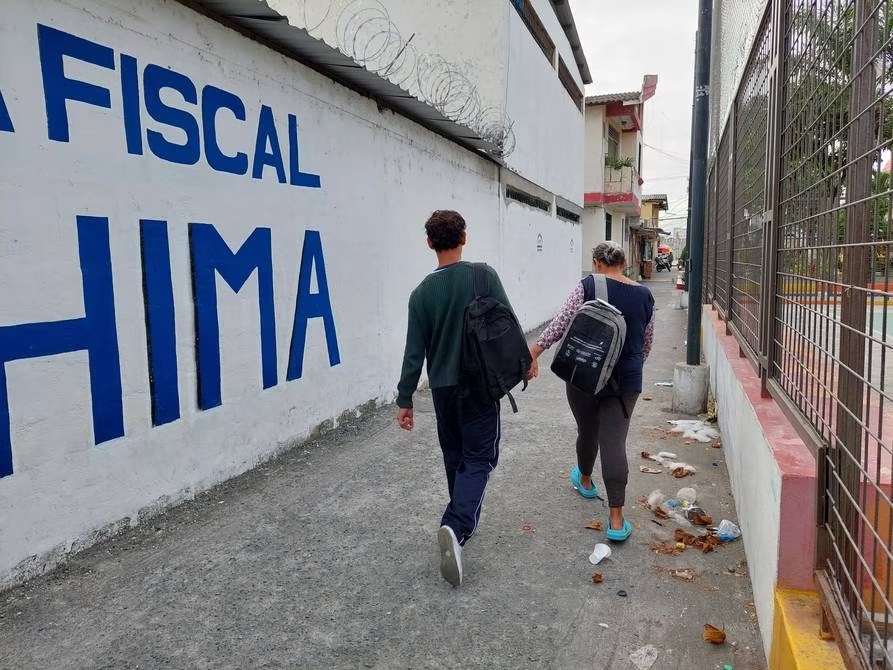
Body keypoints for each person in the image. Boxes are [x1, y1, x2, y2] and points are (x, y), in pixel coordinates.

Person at [396, 210, 517, 587]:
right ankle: (457, 524)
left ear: (429, 243)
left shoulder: (421, 294)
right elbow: (508, 323)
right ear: (464, 236)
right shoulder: (484, 276)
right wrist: (524, 363)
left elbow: (413, 353)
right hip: (479, 384)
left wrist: (405, 400)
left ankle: (460, 516)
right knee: (480, 457)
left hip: (444, 388)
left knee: (455, 454)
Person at [527, 242, 654, 542]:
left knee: (587, 431)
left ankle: (585, 481)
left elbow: (560, 325)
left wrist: (534, 351)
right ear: (623, 263)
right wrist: (628, 371)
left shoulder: (587, 285)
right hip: (625, 382)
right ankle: (617, 520)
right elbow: (646, 343)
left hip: (583, 374)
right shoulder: (645, 295)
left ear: (597, 262)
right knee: (614, 443)